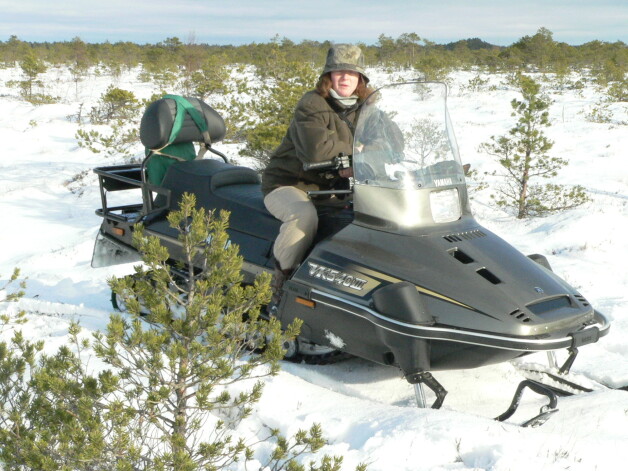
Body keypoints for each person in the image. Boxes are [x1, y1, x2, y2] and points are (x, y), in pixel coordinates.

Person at [261, 44, 373, 309]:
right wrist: (357, 151)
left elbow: (393, 143)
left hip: (333, 188)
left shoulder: (365, 108)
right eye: (338, 72)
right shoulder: (312, 104)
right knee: (304, 217)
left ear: (360, 79)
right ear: (328, 77)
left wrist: (365, 157)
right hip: (290, 184)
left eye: (351, 72)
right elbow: (316, 150)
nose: (345, 77)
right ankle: (281, 285)